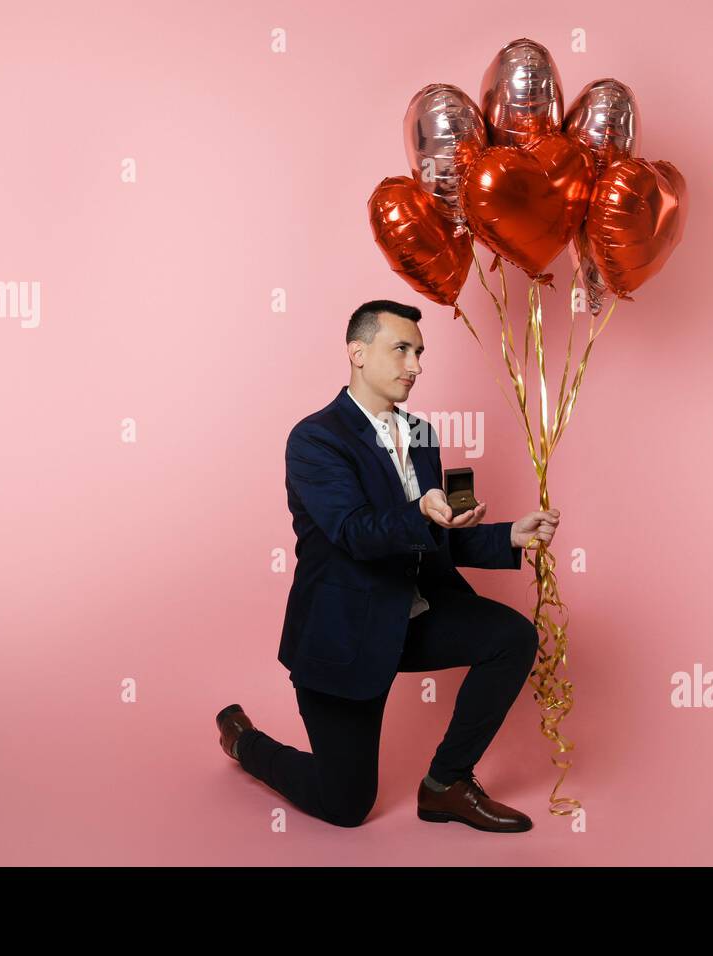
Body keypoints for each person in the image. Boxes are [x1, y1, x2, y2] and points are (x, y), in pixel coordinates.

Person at [215, 299, 560, 832]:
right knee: (345, 805)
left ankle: (446, 784)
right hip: (344, 635)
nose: (415, 365)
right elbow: (353, 532)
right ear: (357, 352)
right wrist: (418, 509)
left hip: (413, 617)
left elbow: (435, 538)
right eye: (401, 349)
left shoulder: (421, 434)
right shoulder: (314, 439)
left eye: (419, 352)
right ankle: (245, 741)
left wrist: (507, 535)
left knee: (511, 637)